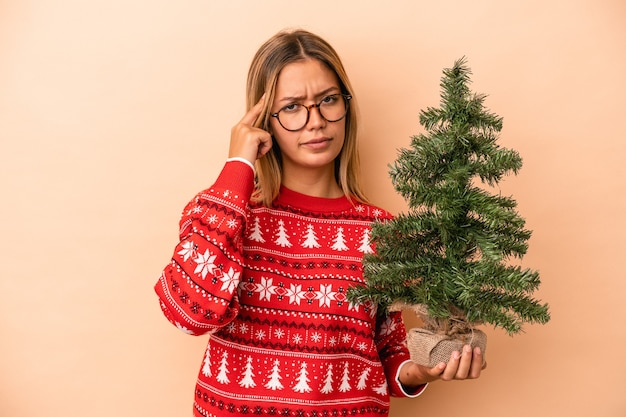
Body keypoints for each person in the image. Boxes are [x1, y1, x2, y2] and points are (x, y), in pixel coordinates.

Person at [154, 28, 484, 417]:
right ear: (264, 121)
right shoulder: (227, 211)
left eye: (328, 100)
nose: (316, 121)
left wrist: (417, 373)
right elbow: (188, 313)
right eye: (292, 107)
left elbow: (387, 350)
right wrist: (237, 166)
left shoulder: (382, 230)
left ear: (346, 106)